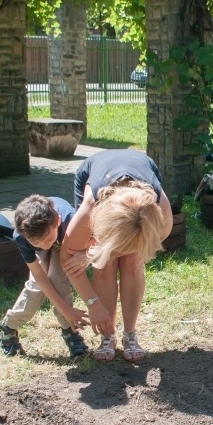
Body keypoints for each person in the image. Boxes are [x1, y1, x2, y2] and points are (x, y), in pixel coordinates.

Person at [61, 149, 173, 362]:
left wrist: (100, 253)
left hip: (141, 165)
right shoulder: (91, 206)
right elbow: (67, 258)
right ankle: (108, 335)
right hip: (97, 173)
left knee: (132, 262)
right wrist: (93, 303)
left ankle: (130, 333)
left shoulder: (160, 212)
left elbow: (150, 243)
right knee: (104, 265)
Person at [0, 195, 90, 357]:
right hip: (45, 241)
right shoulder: (23, 236)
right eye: (37, 242)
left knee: (58, 281)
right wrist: (66, 309)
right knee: (36, 287)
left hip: (65, 242)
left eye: (48, 240)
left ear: (57, 221)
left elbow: (98, 240)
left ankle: (69, 330)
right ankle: (9, 326)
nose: (46, 244)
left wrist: (85, 254)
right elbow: (38, 274)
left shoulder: (68, 221)